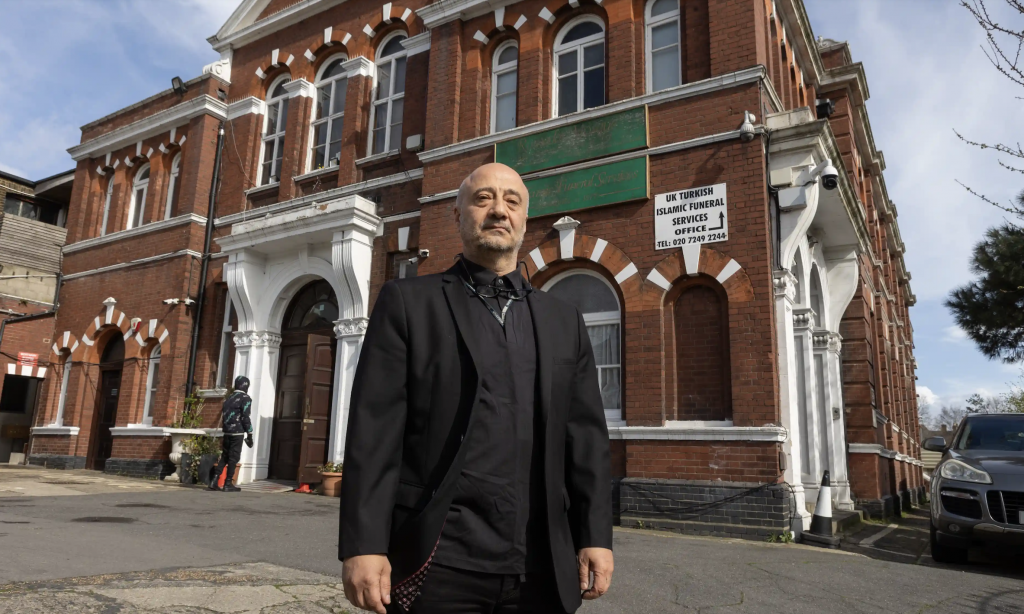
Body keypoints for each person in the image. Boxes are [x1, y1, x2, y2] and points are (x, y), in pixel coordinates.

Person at [339, 163, 614, 614]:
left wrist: (594, 536)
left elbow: (585, 438)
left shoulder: (564, 320)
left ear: (525, 219)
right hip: (440, 561)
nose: (498, 210)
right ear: (458, 214)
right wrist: (363, 544)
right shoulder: (408, 304)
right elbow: (374, 431)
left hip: (542, 562)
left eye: (512, 201)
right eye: (483, 198)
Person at [208, 375, 253, 493]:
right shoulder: (245, 398)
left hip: (227, 431)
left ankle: (214, 480)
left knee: (224, 456)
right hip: (237, 432)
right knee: (234, 458)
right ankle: (228, 483)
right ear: (246, 385)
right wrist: (250, 433)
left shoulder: (229, 398)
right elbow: (245, 417)